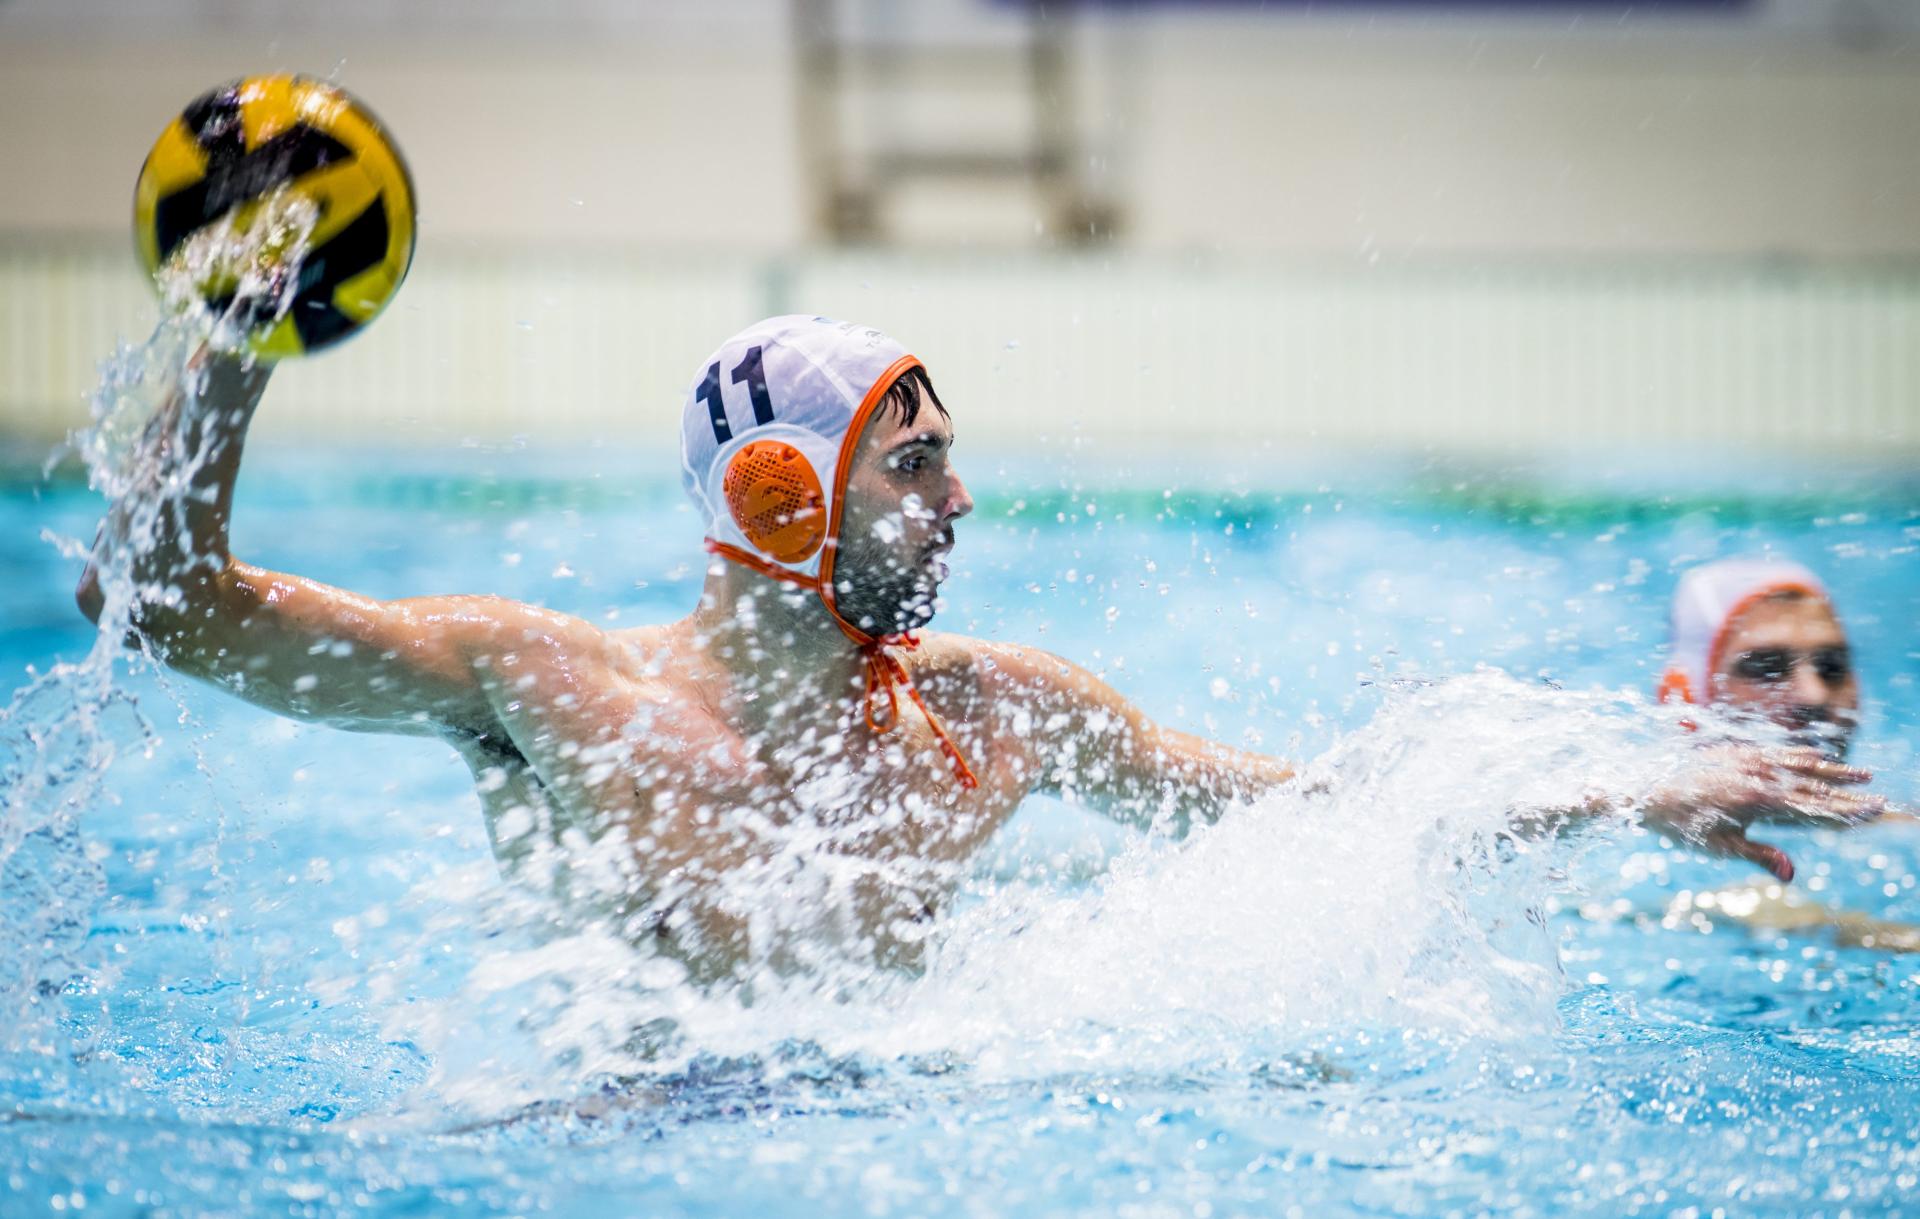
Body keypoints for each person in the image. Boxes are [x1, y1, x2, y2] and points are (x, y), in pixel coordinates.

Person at [79, 316, 1296, 980]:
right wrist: (235, 344)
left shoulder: (995, 709)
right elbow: (162, 603)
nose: (961, 498)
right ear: (782, 494)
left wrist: (1463, 785)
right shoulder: (551, 690)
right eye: (916, 463)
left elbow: (1281, 818)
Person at [1634, 557, 1888, 882]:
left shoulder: (1903, 825)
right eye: (1766, 667)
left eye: (1831, 666)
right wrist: (1647, 801)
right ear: (1683, 700)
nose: (1813, 696)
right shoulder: (1627, 834)